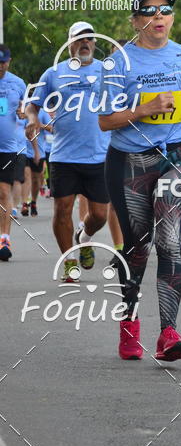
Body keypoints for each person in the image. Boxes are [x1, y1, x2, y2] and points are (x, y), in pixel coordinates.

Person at [99, 0, 181, 361]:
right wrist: (146, 107)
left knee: (169, 240)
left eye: (165, 10)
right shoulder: (118, 63)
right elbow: (106, 120)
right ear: (135, 22)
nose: (159, 17)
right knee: (138, 247)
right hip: (131, 161)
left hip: (178, 156)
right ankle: (130, 323)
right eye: (149, 12)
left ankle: (168, 332)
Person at [26, 22, 110, 282]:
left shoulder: (107, 71)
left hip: (99, 154)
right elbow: (33, 104)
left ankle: (83, 237)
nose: (85, 43)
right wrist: (32, 119)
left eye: (89, 39)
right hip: (64, 155)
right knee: (62, 209)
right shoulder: (53, 73)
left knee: (99, 215)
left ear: (94, 43)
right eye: (79, 39)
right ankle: (70, 261)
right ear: (69, 43)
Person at [0, 45, 27, 261]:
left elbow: (26, 110)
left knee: (3, 192)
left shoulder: (17, 83)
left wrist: (23, 112)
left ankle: (4, 238)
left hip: (7, 147)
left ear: (9, 61)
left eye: (3, 62)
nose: (0, 66)